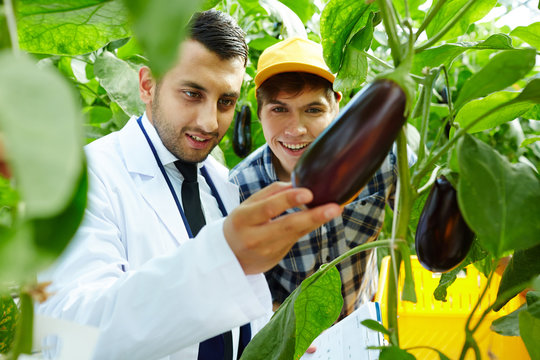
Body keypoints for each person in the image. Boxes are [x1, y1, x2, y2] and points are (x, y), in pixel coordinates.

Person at [37, 11, 342, 360]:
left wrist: (269, 333)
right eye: (192, 94)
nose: (210, 122)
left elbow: (218, 313)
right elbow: (68, 334)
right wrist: (224, 255)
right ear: (148, 85)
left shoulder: (219, 182)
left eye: (225, 101)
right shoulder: (82, 177)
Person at [229, 37, 408, 318]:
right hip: (291, 338)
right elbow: (242, 285)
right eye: (279, 109)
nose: (296, 129)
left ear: (336, 107)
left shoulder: (383, 163)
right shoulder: (239, 189)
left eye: (313, 110)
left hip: (363, 324)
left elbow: (419, 217)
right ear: (260, 112)